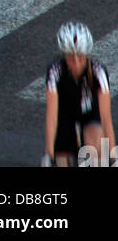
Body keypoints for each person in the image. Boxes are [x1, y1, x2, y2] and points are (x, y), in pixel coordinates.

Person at [44, 23, 114, 167]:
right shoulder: (54, 71)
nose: (75, 61)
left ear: (87, 54)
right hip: (64, 115)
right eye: (70, 56)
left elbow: (106, 116)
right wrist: (49, 153)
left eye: (80, 56)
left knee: (94, 148)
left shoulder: (98, 72)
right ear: (64, 54)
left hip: (89, 113)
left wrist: (113, 154)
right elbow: (51, 115)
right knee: (62, 162)